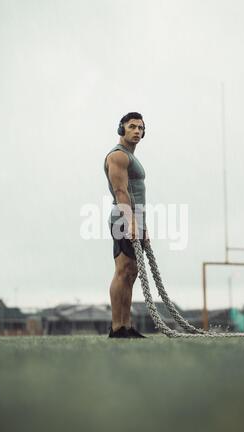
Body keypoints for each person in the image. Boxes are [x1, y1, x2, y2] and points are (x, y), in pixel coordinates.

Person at [104, 112, 149, 339]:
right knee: (123, 271)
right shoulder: (118, 156)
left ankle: (126, 326)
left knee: (132, 272)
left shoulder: (132, 157)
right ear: (121, 129)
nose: (137, 131)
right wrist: (131, 221)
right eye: (132, 127)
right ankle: (117, 327)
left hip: (134, 218)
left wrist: (143, 226)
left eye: (141, 128)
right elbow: (121, 192)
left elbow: (136, 194)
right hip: (124, 218)